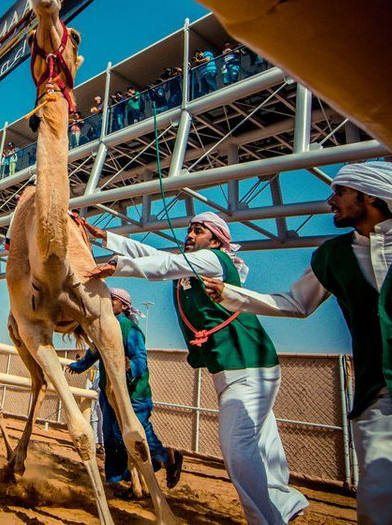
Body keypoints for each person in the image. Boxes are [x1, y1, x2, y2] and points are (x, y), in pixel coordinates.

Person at [202, 161, 392, 523]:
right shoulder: (333, 255)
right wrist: (231, 294)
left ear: (369, 196)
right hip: (386, 405)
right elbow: (296, 303)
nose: (330, 200)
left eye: (339, 192)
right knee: (386, 510)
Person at [84, 213, 308, 524]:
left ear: (216, 241)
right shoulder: (193, 265)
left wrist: (118, 266)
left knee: (239, 453)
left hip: (245, 365)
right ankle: (285, 503)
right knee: (263, 443)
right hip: (242, 367)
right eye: (189, 228)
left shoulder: (213, 260)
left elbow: (164, 266)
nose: (190, 234)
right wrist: (105, 237)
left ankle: (268, 520)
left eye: (198, 230)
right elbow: (158, 257)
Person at [67, 288, 183, 490]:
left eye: (113, 299)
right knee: (110, 435)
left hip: (133, 393)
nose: (108, 302)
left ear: (124, 305)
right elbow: (94, 352)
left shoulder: (130, 329)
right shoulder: (104, 328)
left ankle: (167, 458)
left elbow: (140, 358)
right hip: (110, 393)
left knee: (135, 435)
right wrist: (77, 366)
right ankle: (118, 477)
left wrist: (131, 368)